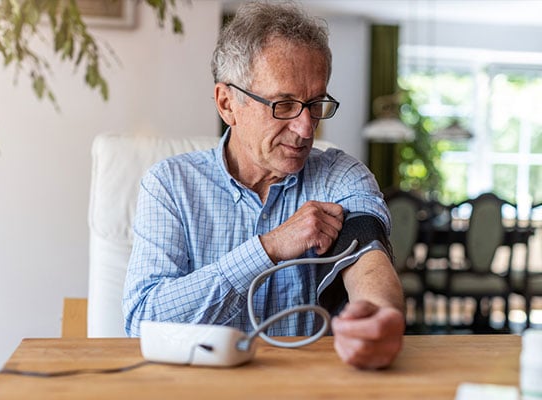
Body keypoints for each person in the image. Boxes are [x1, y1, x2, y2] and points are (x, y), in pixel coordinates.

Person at [123, 1, 405, 369]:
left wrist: (380, 315)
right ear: (227, 104)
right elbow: (142, 323)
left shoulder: (342, 175)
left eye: (315, 103)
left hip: (308, 389)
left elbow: (368, 256)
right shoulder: (170, 186)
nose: (307, 129)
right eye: (283, 104)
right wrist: (268, 248)